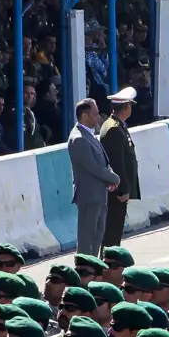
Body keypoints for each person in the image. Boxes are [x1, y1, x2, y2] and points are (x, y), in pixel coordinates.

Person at [68, 98, 120, 255]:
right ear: (84, 116)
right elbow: (92, 167)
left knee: (97, 238)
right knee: (87, 239)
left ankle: (94, 268)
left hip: (99, 195)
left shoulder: (89, 135)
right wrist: (114, 178)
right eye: (95, 114)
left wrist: (109, 174)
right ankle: (85, 271)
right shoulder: (79, 139)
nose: (99, 117)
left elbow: (103, 161)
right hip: (89, 196)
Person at [99, 86, 140, 247]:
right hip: (116, 191)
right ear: (127, 107)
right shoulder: (114, 129)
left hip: (117, 189)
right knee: (112, 231)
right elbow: (116, 162)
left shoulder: (116, 125)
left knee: (114, 230)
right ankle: (109, 265)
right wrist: (122, 189)